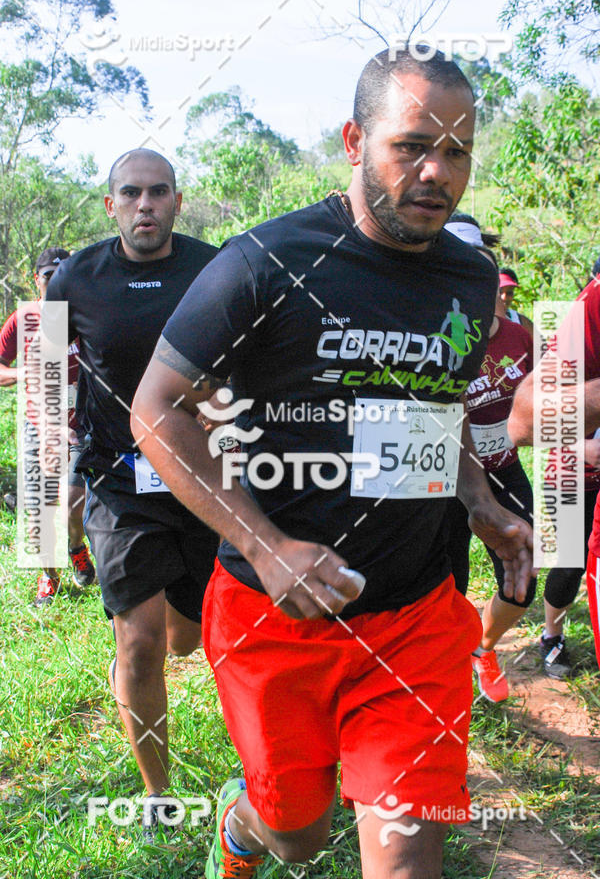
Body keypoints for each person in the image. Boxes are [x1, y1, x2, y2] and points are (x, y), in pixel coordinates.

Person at [132, 50, 534, 879]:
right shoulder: (265, 262)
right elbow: (157, 409)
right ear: (355, 139)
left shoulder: (469, 274)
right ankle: (245, 832)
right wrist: (272, 546)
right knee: (298, 832)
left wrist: (482, 501)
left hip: (418, 615)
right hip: (275, 622)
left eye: (457, 151)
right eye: (411, 145)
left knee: (409, 854)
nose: (436, 172)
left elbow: (438, 404)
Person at [44, 150, 219, 834]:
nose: (144, 205)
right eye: (131, 194)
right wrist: (54, 453)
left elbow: (250, 354)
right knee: (140, 645)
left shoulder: (214, 266)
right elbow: (47, 367)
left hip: (203, 475)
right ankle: (156, 795)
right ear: (109, 205)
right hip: (118, 479)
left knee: (188, 640)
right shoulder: (75, 277)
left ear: (177, 201)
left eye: (157, 193)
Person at [443, 222, 536, 701]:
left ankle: (483, 646)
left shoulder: (521, 337)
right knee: (447, 588)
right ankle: (447, 674)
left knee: (524, 576)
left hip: (505, 470)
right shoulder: (435, 337)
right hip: (444, 478)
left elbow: (549, 398)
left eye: (478, 261)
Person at [509, 255, 600, 677]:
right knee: (568, 563)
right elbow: (537, 414)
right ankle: (552, 636)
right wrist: (581, 447)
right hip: (570, 471)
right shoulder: (575, 330)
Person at [0, 247, 95, 603]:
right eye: (47, 277)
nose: (55, 283)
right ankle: (48, 576)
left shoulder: (86, 315)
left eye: (62, 276)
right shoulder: (22, 318)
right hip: (38, 427)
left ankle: (75, 547)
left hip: (79, 425)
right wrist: (25, 372)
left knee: (73, 501)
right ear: (35, 280)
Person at [498, 267, 534, 337]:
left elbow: (541, 346)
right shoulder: (481, 321)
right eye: (500, 292)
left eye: (509, 293)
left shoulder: (521, 321)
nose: (504, 297)